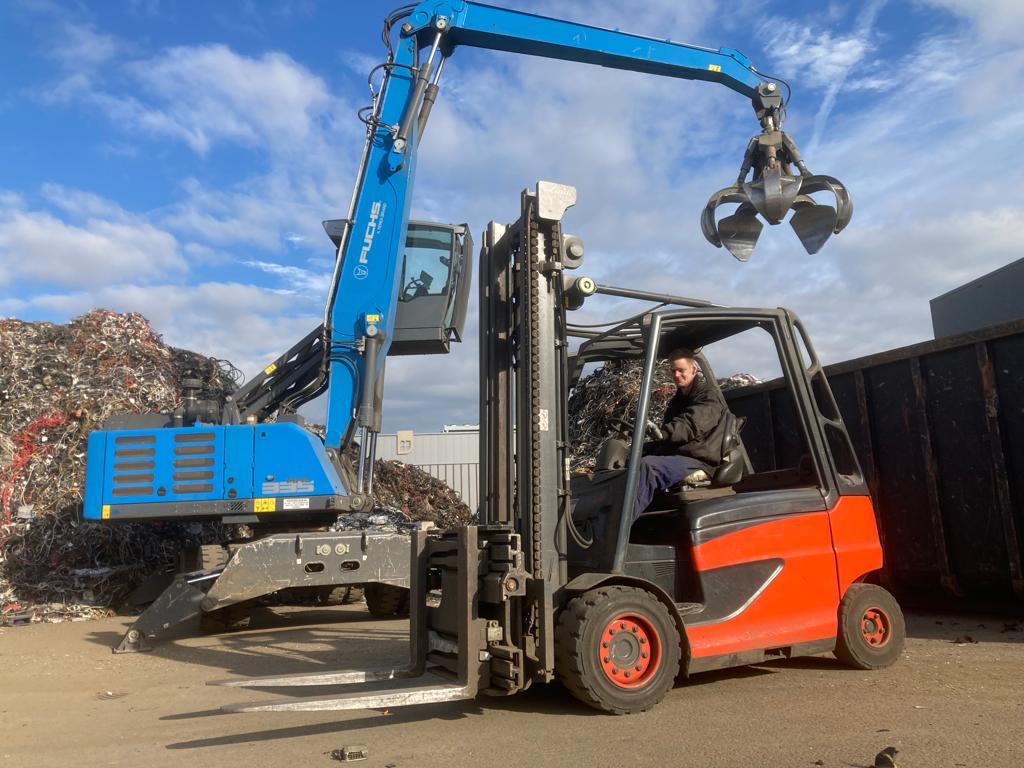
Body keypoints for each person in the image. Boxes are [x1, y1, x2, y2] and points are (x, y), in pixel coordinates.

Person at [632, 348, 730, 521]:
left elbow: (690, 425)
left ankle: (618, 531)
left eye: (681, 370)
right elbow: (666, 438)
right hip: (679, 455)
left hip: (699, 458)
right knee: (629, 460)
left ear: (693, 369)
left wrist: (663, 433)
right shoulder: (677, 400)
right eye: (673, 371)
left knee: (647, 467)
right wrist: (640, 447)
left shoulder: (708, 396)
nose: (676, 375)